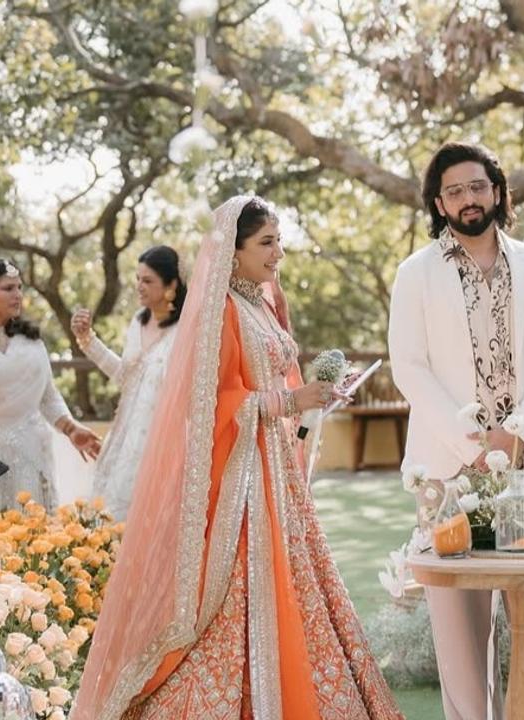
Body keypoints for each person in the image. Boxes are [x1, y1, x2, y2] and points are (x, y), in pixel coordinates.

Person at [72, 195, 402, 720]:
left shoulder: (261, 304)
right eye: (266, 243)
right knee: (235, 597)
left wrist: (315, 396)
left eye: (280, 243)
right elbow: (210, 403)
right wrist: (290, 401)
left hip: (276, 472)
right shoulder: (222, 309)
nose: (278, 255)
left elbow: (280, 383)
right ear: (234, 250)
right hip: (243, 482)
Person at [388, 142, 524, 720]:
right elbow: (410, 367)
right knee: (461, 638)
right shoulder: (415, 273)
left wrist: (516, 435)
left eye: (477, 186)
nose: (468, 199)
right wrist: (473, 446)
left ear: (496, 191)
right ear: (439, 202)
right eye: (454, 191)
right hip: (450, 474)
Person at [0, 258, 100, 509]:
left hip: (30, 459)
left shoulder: (32, 341)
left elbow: (48, 397)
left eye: (20, 287)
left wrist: (71, 429)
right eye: (8, 288)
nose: (18, 295)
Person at [72, 245, 186, 521]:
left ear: (171, 285)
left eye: (148, 281)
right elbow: (126, 376)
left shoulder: (185, 331)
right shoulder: (137, 321)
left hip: (160, 445)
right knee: (107, 521)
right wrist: (87, 339)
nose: (139, 286)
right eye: (137, 279)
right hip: (124, 438)